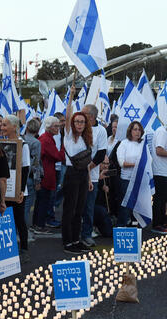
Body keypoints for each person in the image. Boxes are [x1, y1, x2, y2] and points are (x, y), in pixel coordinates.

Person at [62, 86, 93, 254]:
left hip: (82, 175)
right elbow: (67, 115)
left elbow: (87, 162)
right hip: (71, 174)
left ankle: (76, 239)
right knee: (70, 209)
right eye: (77, 121)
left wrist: (88, 179)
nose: (79, 124)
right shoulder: (68, 135)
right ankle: (67, 242)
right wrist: (71, 96)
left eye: (82, 121)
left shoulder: (85, 139)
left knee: (80, 209)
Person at [1, 115, 30, 262]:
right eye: (2, 125)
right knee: (6, 219)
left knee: (19, 220)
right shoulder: (1, 143)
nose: (2, 127)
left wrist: (21, 191)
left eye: (5, 125)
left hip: (18, 190)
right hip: (5, 189)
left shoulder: (23, 144)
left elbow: (25, 169)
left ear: (14, 127)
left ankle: (24, 248)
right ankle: (8, 249)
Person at [81, 104, 107, 247]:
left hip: (93, 176)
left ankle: (86, 234)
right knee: (76, 205)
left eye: (83, 113)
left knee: (89, 207)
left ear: (91, 116)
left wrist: (88, 167)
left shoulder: (101, 130)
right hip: (77, 174)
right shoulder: (79, 127)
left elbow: (101, 154)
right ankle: (75, 233)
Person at [33, 116, 65, 234]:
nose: (58, 128)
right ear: (49, 127)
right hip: (46, 175)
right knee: (43, 201)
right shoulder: (46, 139)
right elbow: (58, 156)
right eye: (56, 126)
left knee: (41, 201)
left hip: (46, 173)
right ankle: (39, 225)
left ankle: (37, 224)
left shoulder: (46, 138)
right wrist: (64, 146)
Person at [116, 121, 146, 227]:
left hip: (139, 179)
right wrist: (137, 164)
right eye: (135, 129)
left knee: (137, 205)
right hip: (126, 179)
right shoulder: (124, 143)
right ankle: (122, 226)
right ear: (130, 130)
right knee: (125, 204)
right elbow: (121, 163)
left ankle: (135, 226)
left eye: (139, 130)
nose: (137, 132)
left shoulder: (143, 144)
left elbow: (147, 160)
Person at [23, 119, 42, 230]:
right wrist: (37, 181)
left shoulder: (22, 139)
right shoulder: (36, 143)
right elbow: (36, 163)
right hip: (29, 177)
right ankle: (24, 230)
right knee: (26, 206)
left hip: (21, 176)